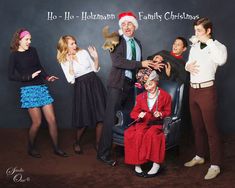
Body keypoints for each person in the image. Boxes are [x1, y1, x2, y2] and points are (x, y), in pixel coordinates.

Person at [97, 11, 156, 166]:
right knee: (110, 119)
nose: (126, 26)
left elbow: (139, 64)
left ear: (134, 25)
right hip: (116, 85)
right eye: (123, 24)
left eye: (129, 23)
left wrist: (149, 67)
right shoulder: (114, 39)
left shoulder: (138, 43)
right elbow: (118, 61)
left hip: (131, 87)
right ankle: (103, 153)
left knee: (130, 118)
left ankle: (125, 148)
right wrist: (140, 64)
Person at [8, 28, 67, 158]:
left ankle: (57, 148)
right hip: (28, 90)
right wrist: (29, 77)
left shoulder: (33, 50)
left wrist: (47, 77)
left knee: (52, 119)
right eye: (27, 39)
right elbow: (11, 76)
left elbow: (40, 67)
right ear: (19, 40)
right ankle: (31, 147)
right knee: (37, 122)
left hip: (41, 87)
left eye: (30, 39)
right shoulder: (14, 55)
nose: (29, 41)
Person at [184, 17, 227, 180]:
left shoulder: (218, 46)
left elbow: (221, 60)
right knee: (197, 127)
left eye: (199, 30)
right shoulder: (194, 46)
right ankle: (200, 156)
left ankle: (215, 165)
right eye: (195, 30)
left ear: (208, 31)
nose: (196, 34)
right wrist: (188, 66)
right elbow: (188, 64)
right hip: (193, 90)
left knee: (211, 130)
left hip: (207, 91)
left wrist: (208, 42)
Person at [57, 35, 106, 154]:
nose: (75, 45)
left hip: (95, 83)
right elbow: (71, 80)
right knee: (84, 118)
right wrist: (69, 63)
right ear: (65, 46)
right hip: (81, 87)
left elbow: (95, 69)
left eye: (75, 42)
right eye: (71, 44)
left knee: (101, 116)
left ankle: (98, 143)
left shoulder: (83, 52)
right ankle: (77, 142)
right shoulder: (63, 60)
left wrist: (96, 57)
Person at [124, 69, 171, 178]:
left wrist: (161, 114)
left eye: (151, 84)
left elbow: (167, 112)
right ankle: (138, 163)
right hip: (143, 123)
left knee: (152, 135)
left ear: (156, 81)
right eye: (146, 86)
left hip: (156, 123)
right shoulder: (140, 97)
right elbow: (133, 113)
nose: (149, 87)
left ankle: (156, 164)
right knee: (137, 135)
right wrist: (138, 115)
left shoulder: (165, 96)